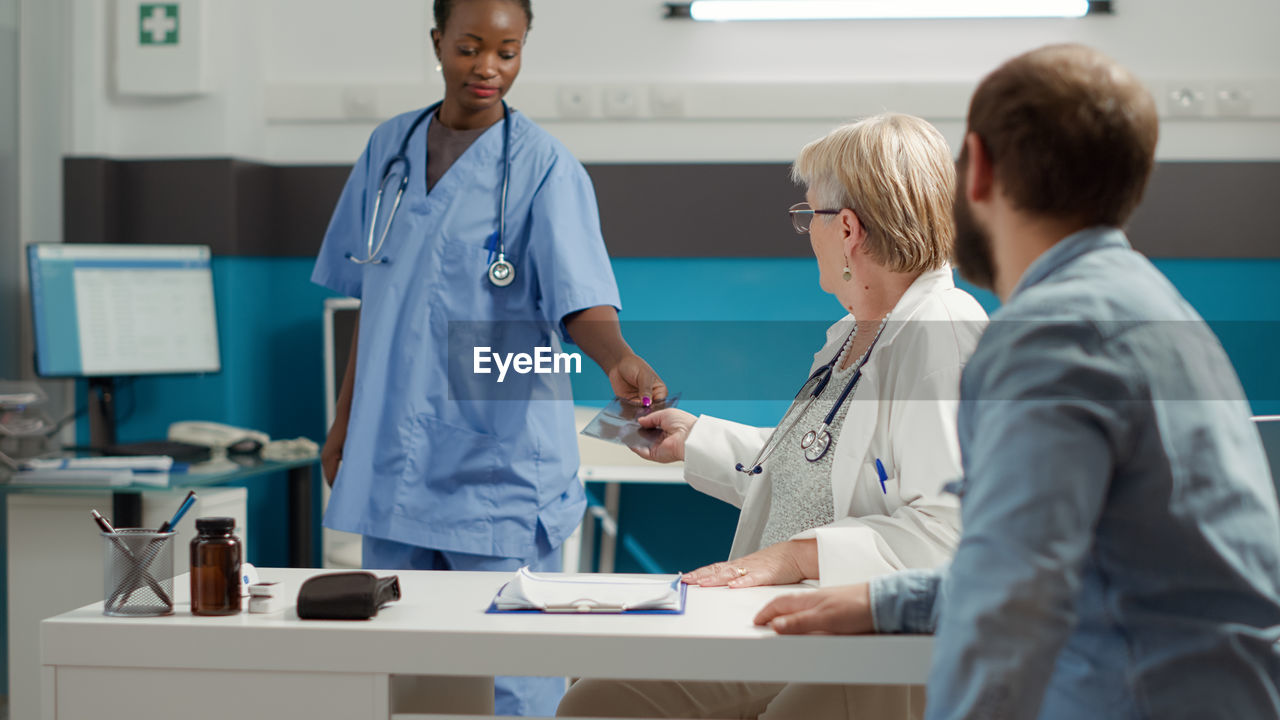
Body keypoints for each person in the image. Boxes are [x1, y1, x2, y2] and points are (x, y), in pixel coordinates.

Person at [755, 44, 1280, 720]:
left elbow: (1013, 604)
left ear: (978, 173)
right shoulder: (1148, 306)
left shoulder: (1050, 336)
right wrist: (888, 600)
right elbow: (1053, 563)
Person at [558, 113, 988, 719]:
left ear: (848, 229)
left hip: (870, 637)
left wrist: (794, 556)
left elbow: (952, 531)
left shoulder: (938, 333)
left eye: (807, 216)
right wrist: (696, 438)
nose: (804, 231)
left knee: (604, 705)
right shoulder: (854, 335)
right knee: (600, 694)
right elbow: (818, 464)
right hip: (804, 616)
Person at [312, 0, 665, 715]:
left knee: (514, 679)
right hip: (394, 463)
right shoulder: (388, 151)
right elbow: (372, 307)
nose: (488, 68)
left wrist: (618, 358)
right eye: (470, 47)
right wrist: (344, 423)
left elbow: (580, 302)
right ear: (438, 42)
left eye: (508, 51)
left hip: (495, 467)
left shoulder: (545, 168)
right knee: (404, 672)